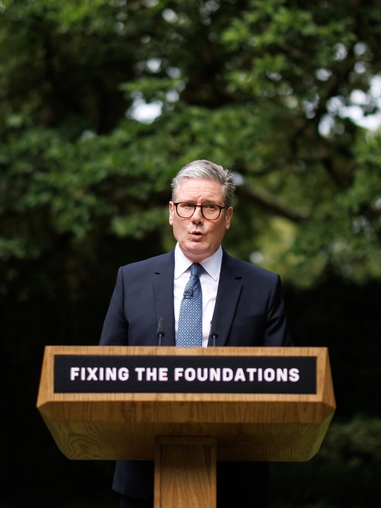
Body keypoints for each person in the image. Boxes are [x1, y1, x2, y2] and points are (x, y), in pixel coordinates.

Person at [99, 159, 293, 508]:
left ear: (228, 217)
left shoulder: (263, 287)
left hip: (236, 482)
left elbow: (281, 381)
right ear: (172, 212)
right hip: (143, 479)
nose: (197, 217)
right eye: (187, 205)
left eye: (210, 207)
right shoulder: (131, 280)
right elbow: (105, 374)